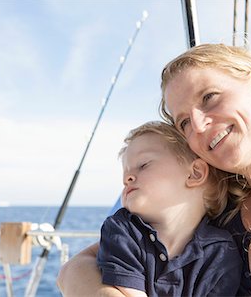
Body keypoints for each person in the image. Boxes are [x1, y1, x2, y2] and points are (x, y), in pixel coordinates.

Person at [57, 43, 251, 297]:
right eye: (184, 122)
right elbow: (75, 269)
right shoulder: (216, 210)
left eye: (209, 97)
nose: (199, 125)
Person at [97, 121, 241, 297]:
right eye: (125, 173)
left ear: (195, 173)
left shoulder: (222, 252)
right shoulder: (121, 230)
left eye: (143, 165)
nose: (127, 178)